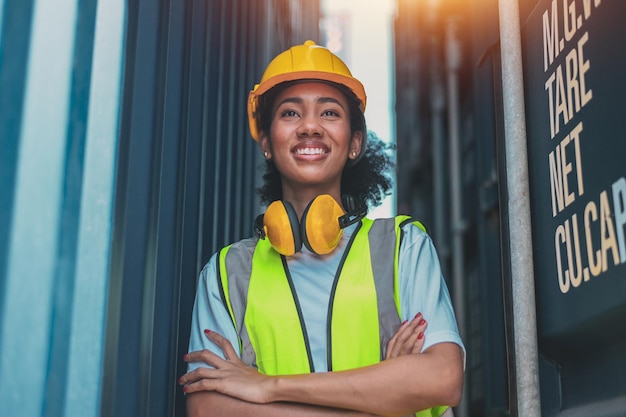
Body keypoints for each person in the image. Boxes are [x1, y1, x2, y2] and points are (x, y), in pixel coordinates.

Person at [179, 40, 465, 417]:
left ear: (354, 142)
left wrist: (267, 387)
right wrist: (386, 397)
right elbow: (207, 409)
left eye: (329, 113)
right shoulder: (226, 273)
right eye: (290, 113)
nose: (310, 126)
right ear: (266, 141)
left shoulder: (402, 246)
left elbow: (442, 379)